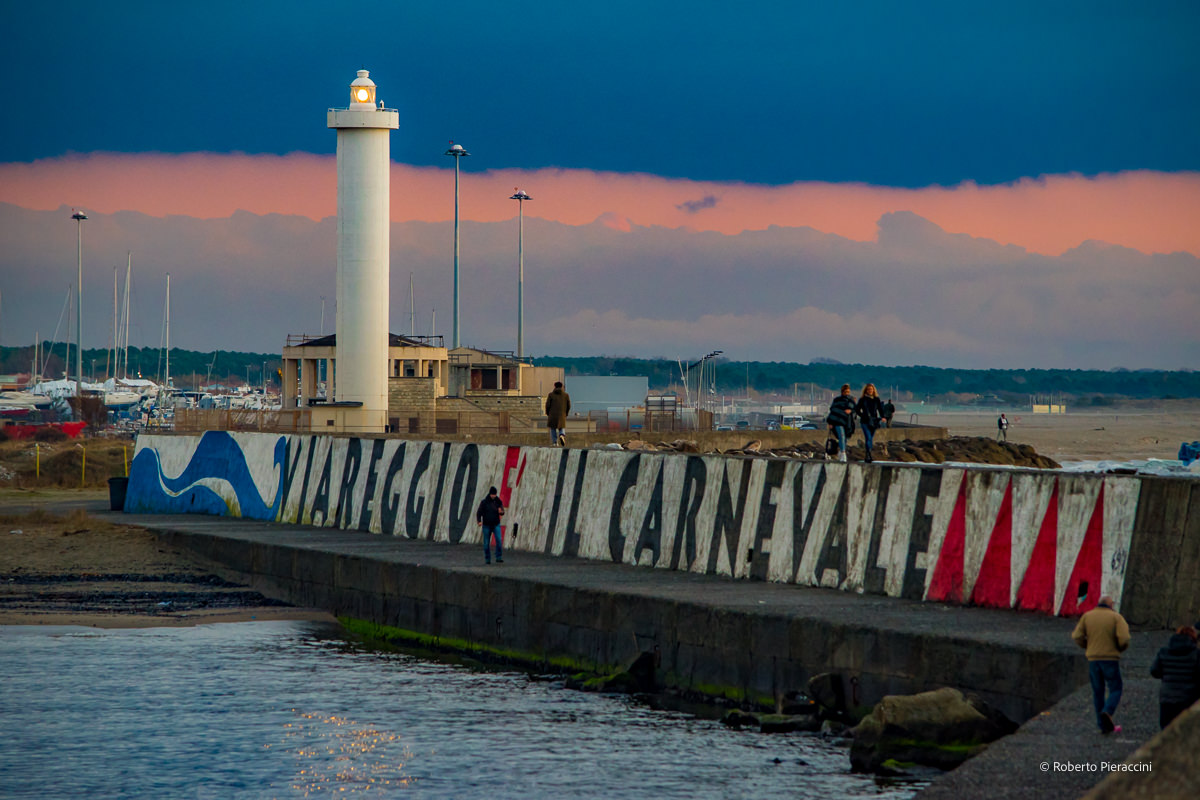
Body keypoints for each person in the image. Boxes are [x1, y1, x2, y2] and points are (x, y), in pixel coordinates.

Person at [1071, 596, 1131, 734]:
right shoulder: (1116, 617)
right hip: (1110, 658)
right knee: (1116, 688)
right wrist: (1119, 648)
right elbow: (1125, 638)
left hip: (1093, 659)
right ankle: (1108, 711)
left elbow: (1076, 636)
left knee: (1098, 692)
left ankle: (1103, 725)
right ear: (1111, 605)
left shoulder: (1087, 616)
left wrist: (1088, 646)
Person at [1149, 626, 1200, 730]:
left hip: (1167, 698)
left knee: (1166, 731)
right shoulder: (1196, 654)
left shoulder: (1164, 652)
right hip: (1188, 698)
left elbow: (1155, 671)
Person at [854, 383, 885, 463]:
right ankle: (868, 454)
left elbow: (880, 409)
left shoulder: (876, 399)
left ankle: (869, 453)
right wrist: (862, 415)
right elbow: (857, 409)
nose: (870, 391)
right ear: (866, 390)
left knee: (870, 438)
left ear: (873, 390)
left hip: (874, 421)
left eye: (871, 389)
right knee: (868, 438)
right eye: (868, 389)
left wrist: (883, 417)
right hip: (865, 422)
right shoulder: (862, 399)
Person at [826, 384, 856, 463]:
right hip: (837, 422)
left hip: (848, 422)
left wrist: (851, 411)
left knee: (845, 438)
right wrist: (831, 422)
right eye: (846, 391)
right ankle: (843, 453)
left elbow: (855, 410)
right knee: (841, 436)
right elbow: (833, 411)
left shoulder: (851, 400)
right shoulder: (837, 400)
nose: (847, 393)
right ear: (842, 391)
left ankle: (841, 451)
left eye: (848, 391)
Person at [476, 486, 506, 564]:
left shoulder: (498, 501)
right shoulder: (484, 502)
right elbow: (479, 512)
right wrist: (479, 521)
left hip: (496, 524)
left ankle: (498, 557)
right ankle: (487, 559)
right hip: (486, 525)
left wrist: (501, 512)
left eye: (495, 494)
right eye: (492, 494)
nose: (493, 496)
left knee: (499, 540)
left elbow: (502, 511)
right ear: (490, 494)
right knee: (486, 543)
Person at [545, 381, 571, 447]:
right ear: (562, 387)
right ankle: (562, 435)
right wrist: (566, 413)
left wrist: (548, 413)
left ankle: (555, 442)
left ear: (555, 386)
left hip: (552, 415)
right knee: (561, 427)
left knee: (553, 428)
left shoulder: (551, 395)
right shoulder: (566, 395)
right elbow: (569, 405)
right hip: (562, 414)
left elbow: (547, 405)